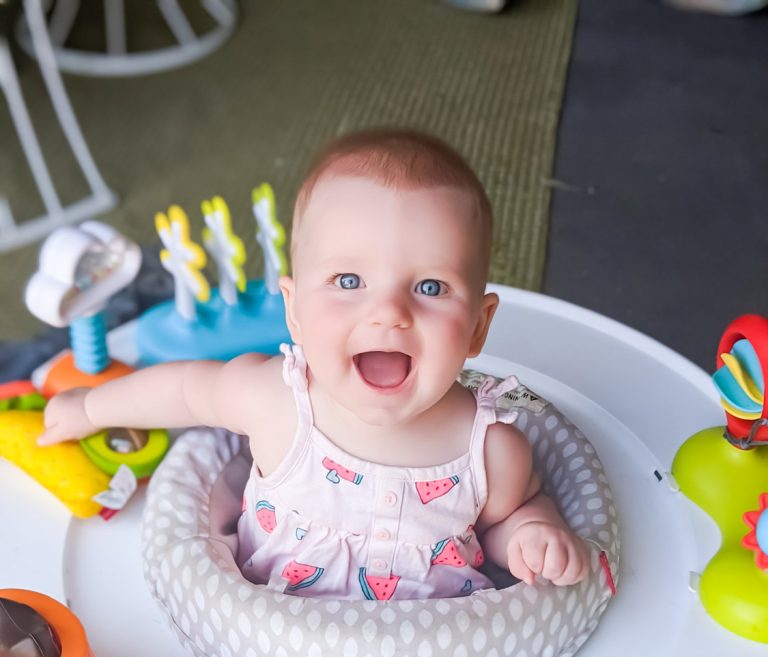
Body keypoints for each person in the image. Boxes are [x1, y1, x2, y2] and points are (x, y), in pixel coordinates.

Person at [39, 128, 589, 601]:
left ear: (478, 325)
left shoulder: (490, 449)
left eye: (430, 286)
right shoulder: (277, 403)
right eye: (349, 281)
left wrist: (532, 534)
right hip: (270, 655)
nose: (389, 314)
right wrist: (90, 406)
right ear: (294, 311)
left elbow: (503, 523)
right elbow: (186, 389)